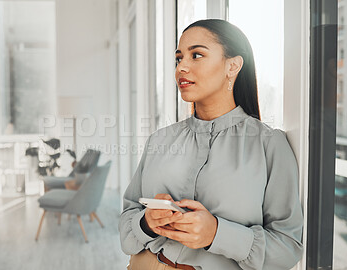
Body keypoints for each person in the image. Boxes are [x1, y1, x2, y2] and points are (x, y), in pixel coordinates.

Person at [119, 19, 303, 270]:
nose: (181, 67)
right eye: (178, 58)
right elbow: (126, 225)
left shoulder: (270, 146)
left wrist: (217, 234)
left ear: (232, 66)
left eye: (196, 55)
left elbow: (288, 248)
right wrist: (147, 223)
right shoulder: (159, 140)